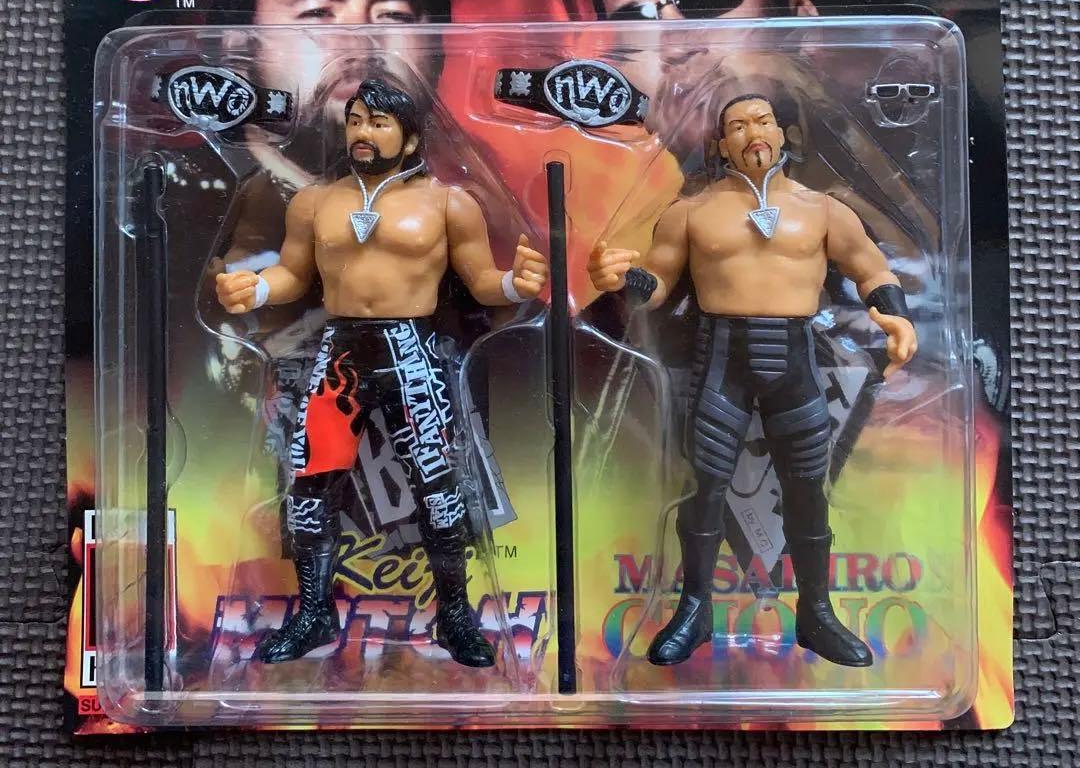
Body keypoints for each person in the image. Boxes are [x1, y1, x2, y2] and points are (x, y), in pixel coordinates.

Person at [215, 78, 549, 667]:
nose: (362, 133)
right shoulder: (315, 201)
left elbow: (480, 282)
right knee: (311, 484)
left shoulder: (448, 203)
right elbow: (293, 275)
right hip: (341, 351)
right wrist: (255, 289)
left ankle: (455, 616)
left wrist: (517, 286)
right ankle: (315, 614)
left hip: (411, 349)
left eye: (377, 122)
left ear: (411, 137)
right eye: (355, 121)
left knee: (439, 488)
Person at [587, 93, 917, 668]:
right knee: (705, 485)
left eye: (762, 121)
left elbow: (872, 268)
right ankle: (695, 611)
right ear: (721, 144)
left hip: (796, 357)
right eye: (737, 125)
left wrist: (895, 316)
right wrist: (620, 280)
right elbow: (658, 284)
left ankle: (816, 613)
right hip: (722, 357)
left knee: (808, 489)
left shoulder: (823, 210)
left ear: (782, 132)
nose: (752, 133)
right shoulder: (692, 212)